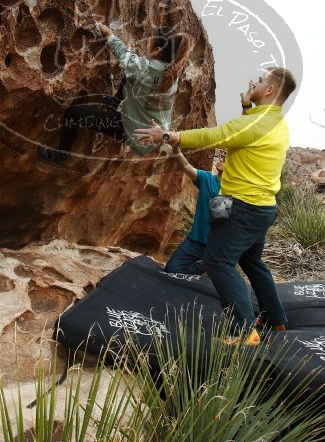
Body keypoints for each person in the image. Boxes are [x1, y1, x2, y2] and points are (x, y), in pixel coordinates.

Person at [133, 67, 297, 346]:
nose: (252, 83)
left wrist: (168, 136)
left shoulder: (254, 126)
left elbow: (215, 135)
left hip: (242, 208)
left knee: (218, 261)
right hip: (264, 208)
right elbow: (248, 129)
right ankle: (274, 318)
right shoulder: (276, 124)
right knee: (252, 262)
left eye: (259, 81)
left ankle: (245, 332)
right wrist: (247, 105)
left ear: (270, 90)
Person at [37, 22, 191, 164]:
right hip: (156, 131)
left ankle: (62, 155)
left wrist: (107, 32)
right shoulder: (172, 72)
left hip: (133, 132)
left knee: (73, 113)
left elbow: (122, 53)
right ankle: (114, 102)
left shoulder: (145, 68)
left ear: (158, 47)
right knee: (130, 76)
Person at [164, 147, 224, 276]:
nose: (222, 160)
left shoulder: (236, 191)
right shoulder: (206, 179)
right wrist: (175, 148)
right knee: (171, 269)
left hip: (217, 247)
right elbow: (185, 166)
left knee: (218, 279)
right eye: (222, 156)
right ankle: (200, 267)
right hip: (195, 241)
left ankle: (209, 264)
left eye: (227, 158)